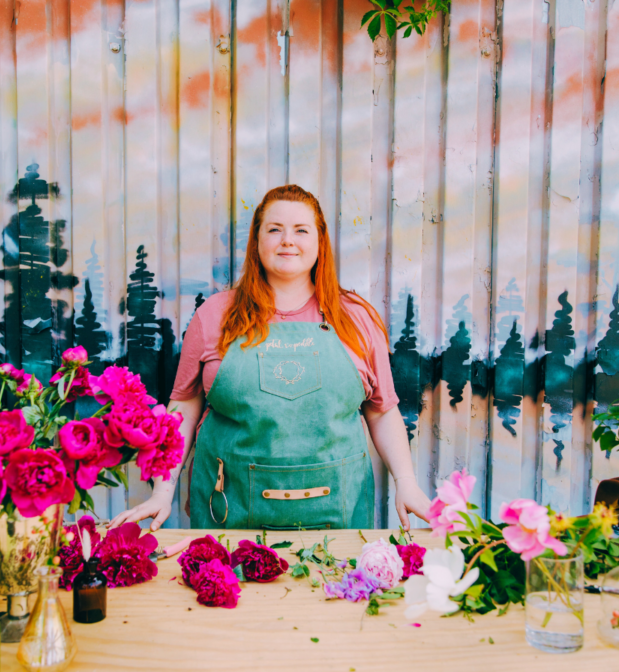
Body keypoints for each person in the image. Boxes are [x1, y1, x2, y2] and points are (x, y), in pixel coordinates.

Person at [109, 185, 431, 531]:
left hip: (338, 516)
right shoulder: (214, 315)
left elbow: (382, 411)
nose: (287, 240)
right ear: (257, 241)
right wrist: (163, 490)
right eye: (274, 229)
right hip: (229, 511)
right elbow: (184, 408)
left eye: (301, 230)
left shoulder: (355, 318)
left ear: (320, 242)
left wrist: (407, 482)